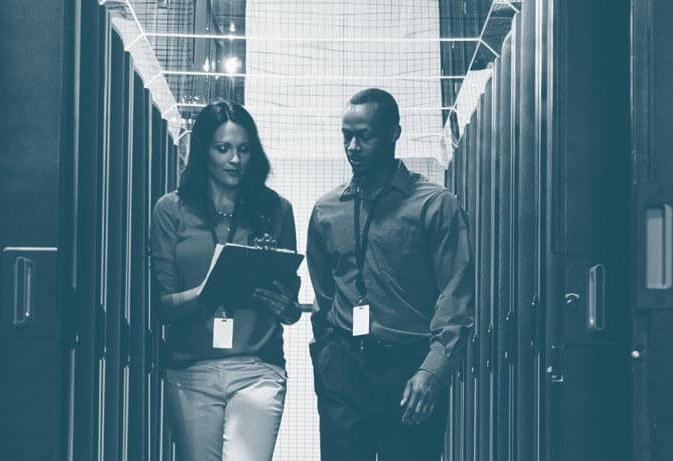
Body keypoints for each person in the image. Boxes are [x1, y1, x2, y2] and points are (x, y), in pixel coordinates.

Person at [306, 88, 474, 461]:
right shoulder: (326, 210)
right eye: (346, 136)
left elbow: (455, 295)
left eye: (363, 136)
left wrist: (433, 370)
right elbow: (325, 290)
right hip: (345, 369)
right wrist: (329, 357)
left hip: (410, 370)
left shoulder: (435, 205)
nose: (352, 147)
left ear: (393, 133)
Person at [150, 100, 302, 461]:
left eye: (244, 149)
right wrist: (207, 292)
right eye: (224, 148)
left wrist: (287, 307)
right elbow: (161, 305)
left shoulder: (277, 211)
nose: (235, 159)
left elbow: (291, 306)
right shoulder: (171, 210)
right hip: (191, 372)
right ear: (203, 150)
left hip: (257, 370)